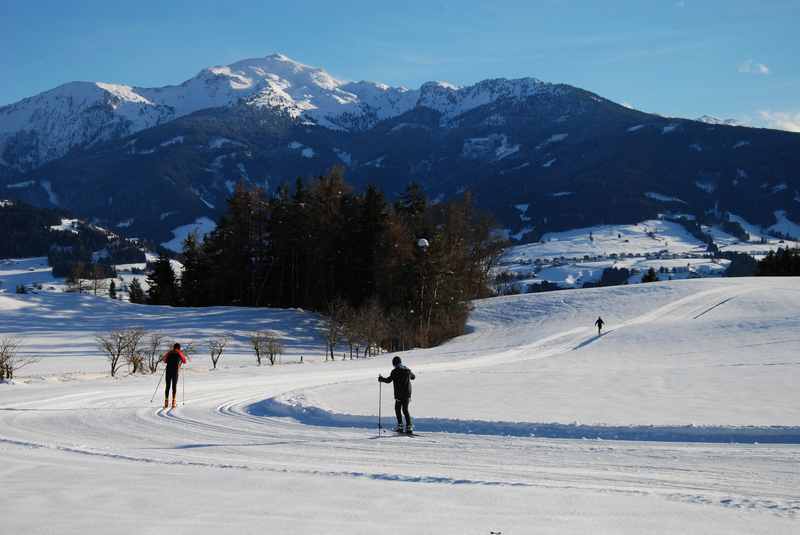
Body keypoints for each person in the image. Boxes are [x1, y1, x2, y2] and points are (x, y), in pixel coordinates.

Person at [378, 356, 416, 433]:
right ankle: (409, 427)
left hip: (399, 395)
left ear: (394, 364)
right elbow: (413, 377)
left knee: (397, 409)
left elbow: (388, 380)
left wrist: (381, 379)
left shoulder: (394, 372)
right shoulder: (407, 370)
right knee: (405, 410)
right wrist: (408, 372)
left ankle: (400, 426)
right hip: (407, 394)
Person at [161, 343, 187, 409]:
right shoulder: (179, 353)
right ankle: (173, 402)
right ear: (179, 348)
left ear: (173, 347)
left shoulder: (169, 352)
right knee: (174, 386)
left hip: (168, 371)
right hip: (175, 372)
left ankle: (166, 401)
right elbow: (184, 361)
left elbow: (164, 360)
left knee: (167, 386)